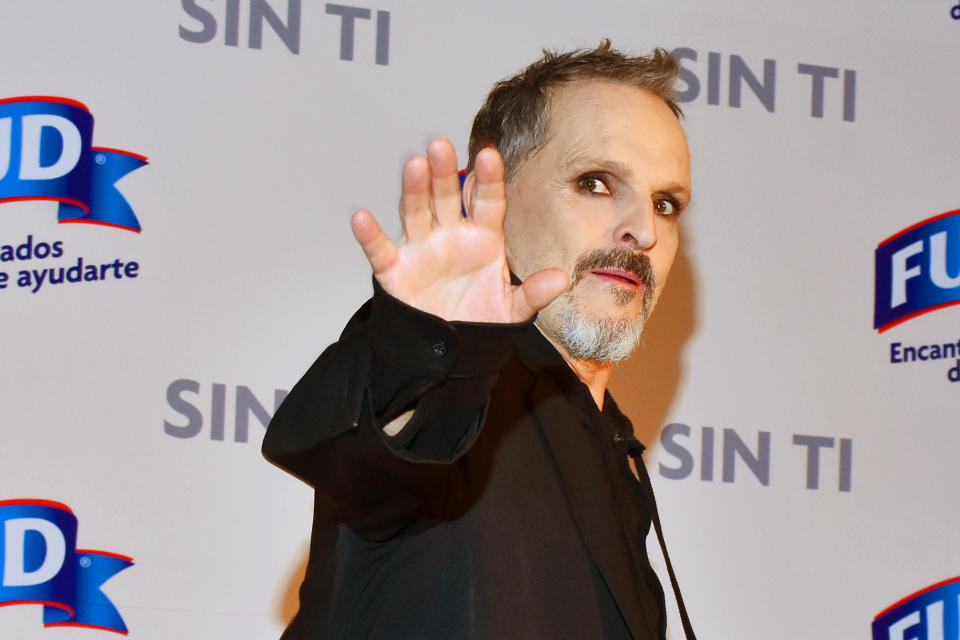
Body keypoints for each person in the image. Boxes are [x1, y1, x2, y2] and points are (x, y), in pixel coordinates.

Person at [263, 40, 695, 640]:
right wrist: (429, 344)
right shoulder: (460, 387)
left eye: (666, 203)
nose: (643, 229)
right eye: (594, 183)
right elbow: (378, 442)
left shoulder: (615, 450)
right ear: (486, 199)